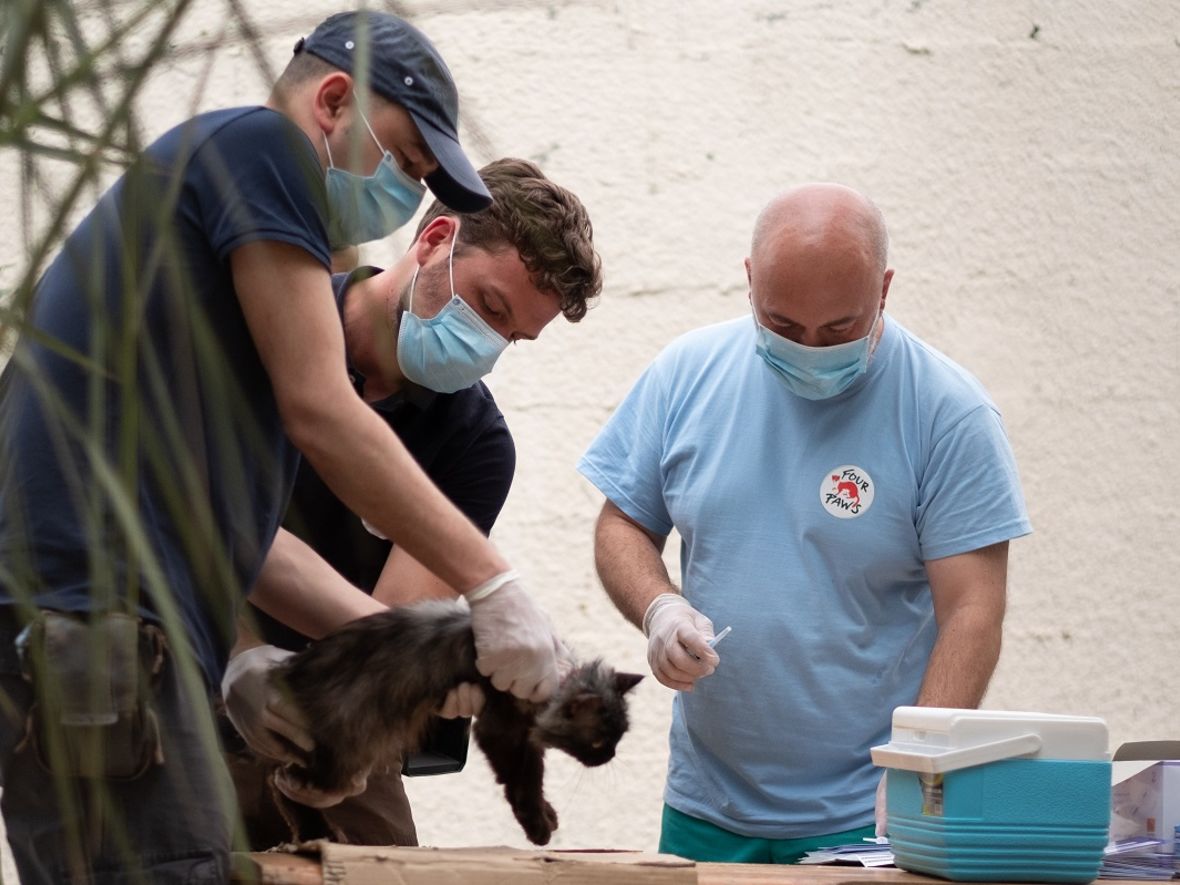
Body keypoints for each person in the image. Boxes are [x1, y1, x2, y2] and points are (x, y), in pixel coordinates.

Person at [0, 11, 563, 882]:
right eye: (408, 162)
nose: (406, 194)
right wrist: (496, 585)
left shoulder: (219, 307)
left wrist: (401, 653)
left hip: (94, 625)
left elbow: (241, 537)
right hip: (97, 618)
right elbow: (325, 411)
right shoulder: (261, 149)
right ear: (334, 100)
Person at [577, 183, 1031, 864]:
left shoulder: (948, 414)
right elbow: (621, 524)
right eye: (784, 326)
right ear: (750, 280)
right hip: (707, 805)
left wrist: (918, 765)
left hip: (866, 813)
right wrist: (659, 607)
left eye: (841, 328)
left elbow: (973, 608)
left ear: (884, 289)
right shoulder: (686, 375)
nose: (812, 348)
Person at [221, 156, 602, 848]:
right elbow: (189, 521)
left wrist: (450, 672)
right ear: (433, 242)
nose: (488, 342)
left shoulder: (475, 444)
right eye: (490, 307)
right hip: (185, 670)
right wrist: (239, 654)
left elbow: (386, 626)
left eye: (512, 335)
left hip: (340, 716)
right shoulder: (261, 322)